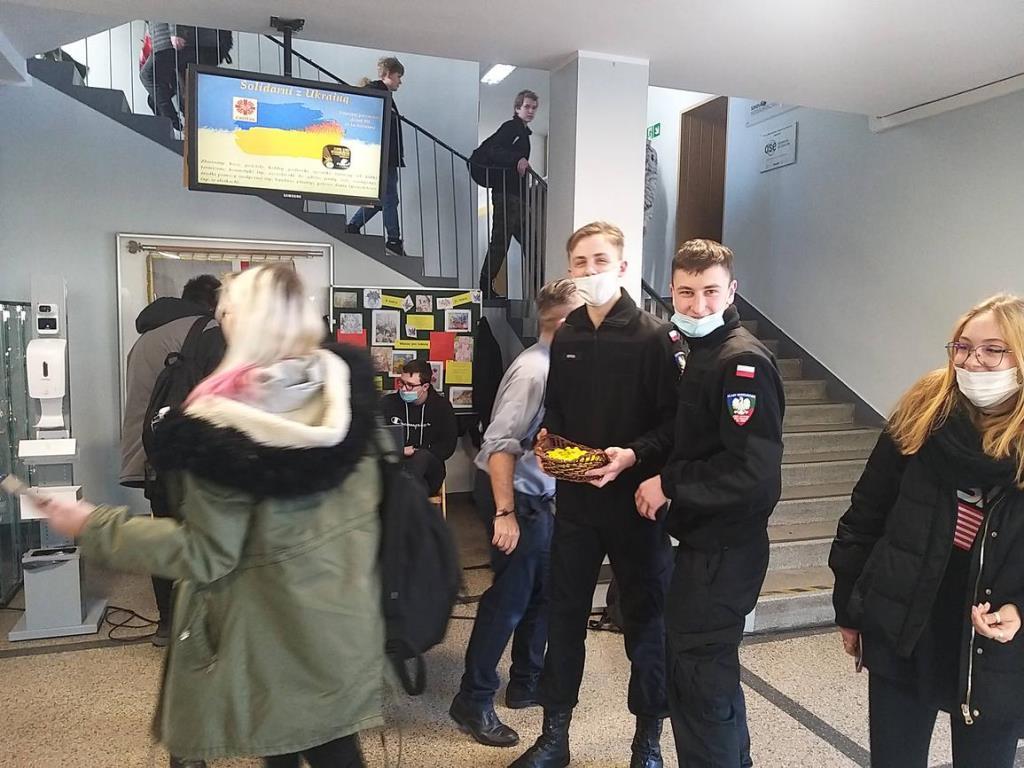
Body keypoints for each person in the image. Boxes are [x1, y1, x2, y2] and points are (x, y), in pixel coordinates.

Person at [37, 264, 385, 768]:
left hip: (268, 628)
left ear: (237, 323)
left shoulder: (223, 425)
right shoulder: (347, 397)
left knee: (285, 738)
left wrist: (94, 526)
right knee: (332, 742)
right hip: (344, 616)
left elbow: (205, 553)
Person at [511, 221, 683, 768]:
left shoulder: (654, 337)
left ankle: (647, 741)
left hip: (637, 506)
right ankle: (554, 736)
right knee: (564, 619)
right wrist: (549, 440)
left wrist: (632, 455)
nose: (590, 271)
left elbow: (674, 423)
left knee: (646, 623)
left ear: (623, 266)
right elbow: (558, 408)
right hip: (577, 505)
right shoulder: (567, 336)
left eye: (600, 260)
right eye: (580, 262)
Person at [829, 293, 1024, 768]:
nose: (972, 361)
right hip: (906, 624)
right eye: (963, 347)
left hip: (993, 647)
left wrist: (1020, 610)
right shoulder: (924, 411)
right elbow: (866, 514)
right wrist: (849, 608)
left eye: (993, 350)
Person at [634, 240, 785, 768]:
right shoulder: (700, 353)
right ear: (671, 292)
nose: (698, 306)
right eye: (686, 293)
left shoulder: (741, 362)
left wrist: (669, 484)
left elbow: (751, 471)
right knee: (709, 673)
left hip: (724, 552)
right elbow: (692, 436)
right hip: (705, 545)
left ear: (731, 291)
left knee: (699, 679)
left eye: (710, 292)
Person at [450, 278, 582, 748]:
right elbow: (499, 444)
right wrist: (505, 513)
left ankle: (526, 682)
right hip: (513, 498)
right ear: (563, 323)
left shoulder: (558, 366)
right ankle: (473, 698)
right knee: (509, 600)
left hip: (538, 498)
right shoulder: (533, 371)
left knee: (543, 593)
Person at [119, 275, 225, 646]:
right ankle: (202, 626)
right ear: (213, 303)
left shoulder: (145, 338)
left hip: (152, 456)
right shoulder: (207, 331)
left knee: (163, 533)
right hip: (190, 457)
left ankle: (167, 623)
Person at [478, 89, 540, 298]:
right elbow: (493, 150)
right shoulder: (511, 127)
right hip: (506, 194)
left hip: (517, 197)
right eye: (527, 107)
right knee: (501, 241)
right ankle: (485, 284)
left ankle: (542, 290)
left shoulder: (522, 132)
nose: (531, 111)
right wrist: (517, 159)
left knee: (530, 244)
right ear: (517, 108)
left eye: (534, 108)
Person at [346, 56, 407, 257]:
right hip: (384, 157)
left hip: (386, 157)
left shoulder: (383, 94)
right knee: (390, 199)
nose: (400, 81)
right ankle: (393, 240)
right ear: (388, 74)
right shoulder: (377, 93)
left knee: (383, 200)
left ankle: (354, 226)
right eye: (398, 76)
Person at [380, 358, 457, 495]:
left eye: (410, 385)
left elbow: (447, 447)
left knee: (422, 456)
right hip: (397, 467)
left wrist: (416, 451)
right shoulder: (388, 403)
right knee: (413, 487)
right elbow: (378, 439)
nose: (404, 388)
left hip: (429, 470)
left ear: (425, 387)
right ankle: (408, 498)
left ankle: (402, 495)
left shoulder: (442, 407)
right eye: (401, 382)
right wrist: (400, 450)